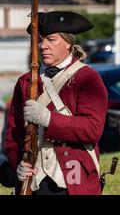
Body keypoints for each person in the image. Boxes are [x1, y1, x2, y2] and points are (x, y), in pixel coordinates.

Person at [5, 11, 108, 195]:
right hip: (33, 181)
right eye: (41, 40)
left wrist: (49, 119)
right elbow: (13, 136)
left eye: (51, 40)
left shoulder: (87, 78)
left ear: (68, 43)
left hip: (72, 181)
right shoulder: (26, 82)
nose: (43, 46)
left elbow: (92, 129)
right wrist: (17, 166)